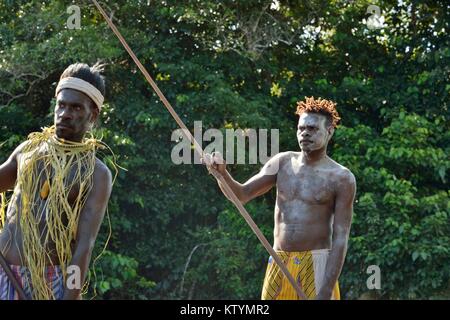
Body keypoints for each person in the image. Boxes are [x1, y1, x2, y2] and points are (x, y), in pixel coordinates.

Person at [204, 96, 356, 300]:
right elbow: (241, 195)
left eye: (312, 129)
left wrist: (327, 288)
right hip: (279, 261)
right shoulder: (282, 163)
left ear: (329, 131)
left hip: (316, 265)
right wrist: (222, 174)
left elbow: (340, 237)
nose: (305, 133)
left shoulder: (341, 177)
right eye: (301, 128)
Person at [0, 63, 112, 300]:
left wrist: (70, 296)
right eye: (61, 105)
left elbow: (84, 245)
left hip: (48, 283)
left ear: (93, 115)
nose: (64, 114)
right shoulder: (28, 150)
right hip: (3, 272)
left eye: (75, 108)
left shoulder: (95, 174)